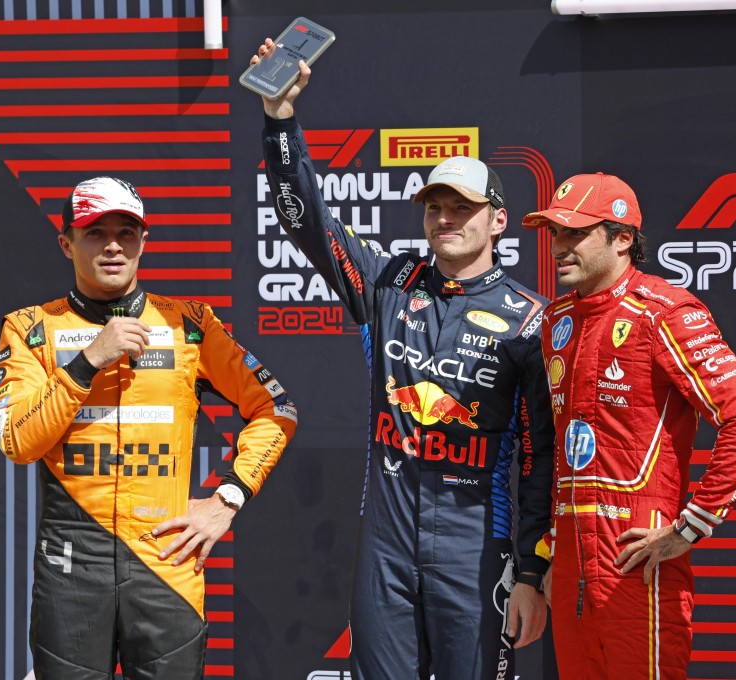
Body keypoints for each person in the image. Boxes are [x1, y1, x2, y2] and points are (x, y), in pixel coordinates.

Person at [251, 44, 555, 680]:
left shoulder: (533, 320)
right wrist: (280, 122)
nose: (445, 219)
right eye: (435, 206)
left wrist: (531, 571)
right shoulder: (388, 282)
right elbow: (308, 222)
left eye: (462, 208)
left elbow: (537, 463)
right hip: (386, 542)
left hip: (476, 546)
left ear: (498, 220)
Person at [0, 176, 298, 679]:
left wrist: (228, 498)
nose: (113, 245)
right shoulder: (30, 329)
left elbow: (277, 408)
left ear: (144, 241)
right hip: (71, 566)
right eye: (95, 232)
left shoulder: (190, 325)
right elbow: (17, 443)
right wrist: (88, 361)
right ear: (66, 242)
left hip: (167, 561)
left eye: (126, 232)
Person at [521, 172, 736, 679]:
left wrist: (691, 526)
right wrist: (546, 556)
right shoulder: (555, 319)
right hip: (569, 565)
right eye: (555, 233)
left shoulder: (665, 311)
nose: (559, 247)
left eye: (575, 233)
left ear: (623, 238)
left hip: (636, 558)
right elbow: (548, 448)